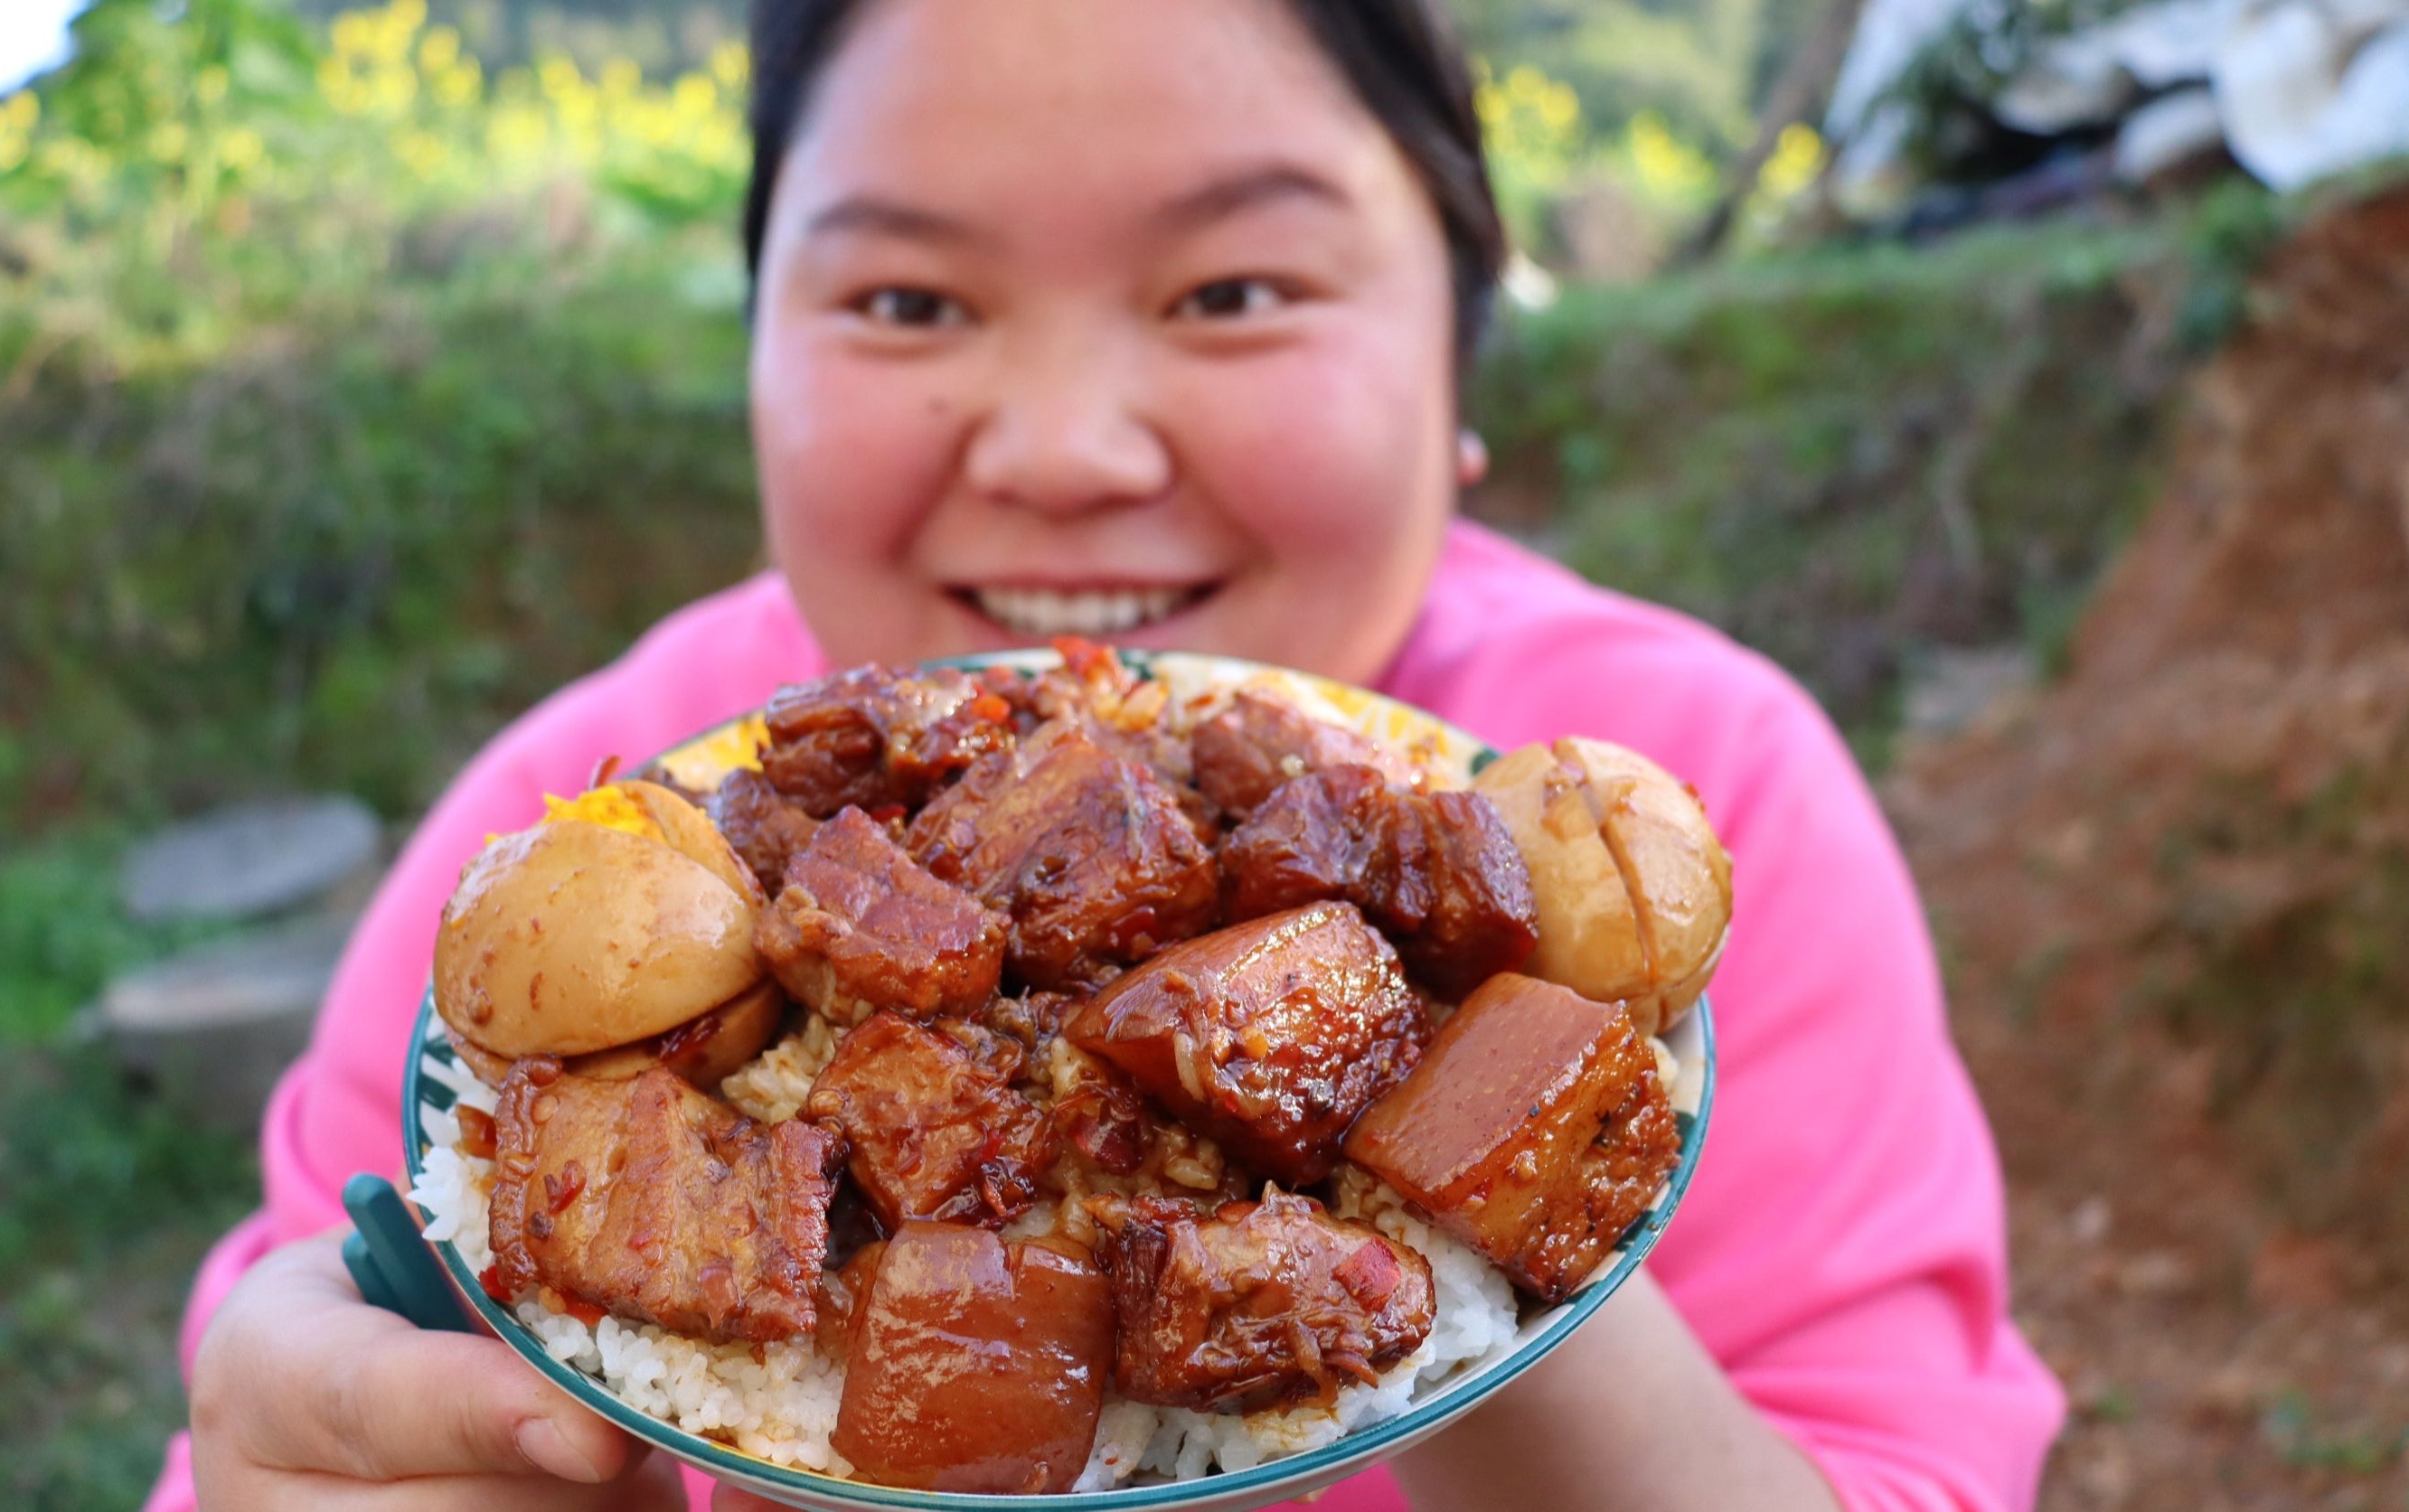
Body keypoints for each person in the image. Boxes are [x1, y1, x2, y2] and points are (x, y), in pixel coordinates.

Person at [154, 0, 2066, 1507]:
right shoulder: (554, 835)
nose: (1065, 447)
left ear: (1465, 367)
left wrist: (1489, 1255)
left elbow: (1908, 1465)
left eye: (1233, 291)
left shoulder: (1700, 797)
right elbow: (293, 1362)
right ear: (752, 362)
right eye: (908, 300)